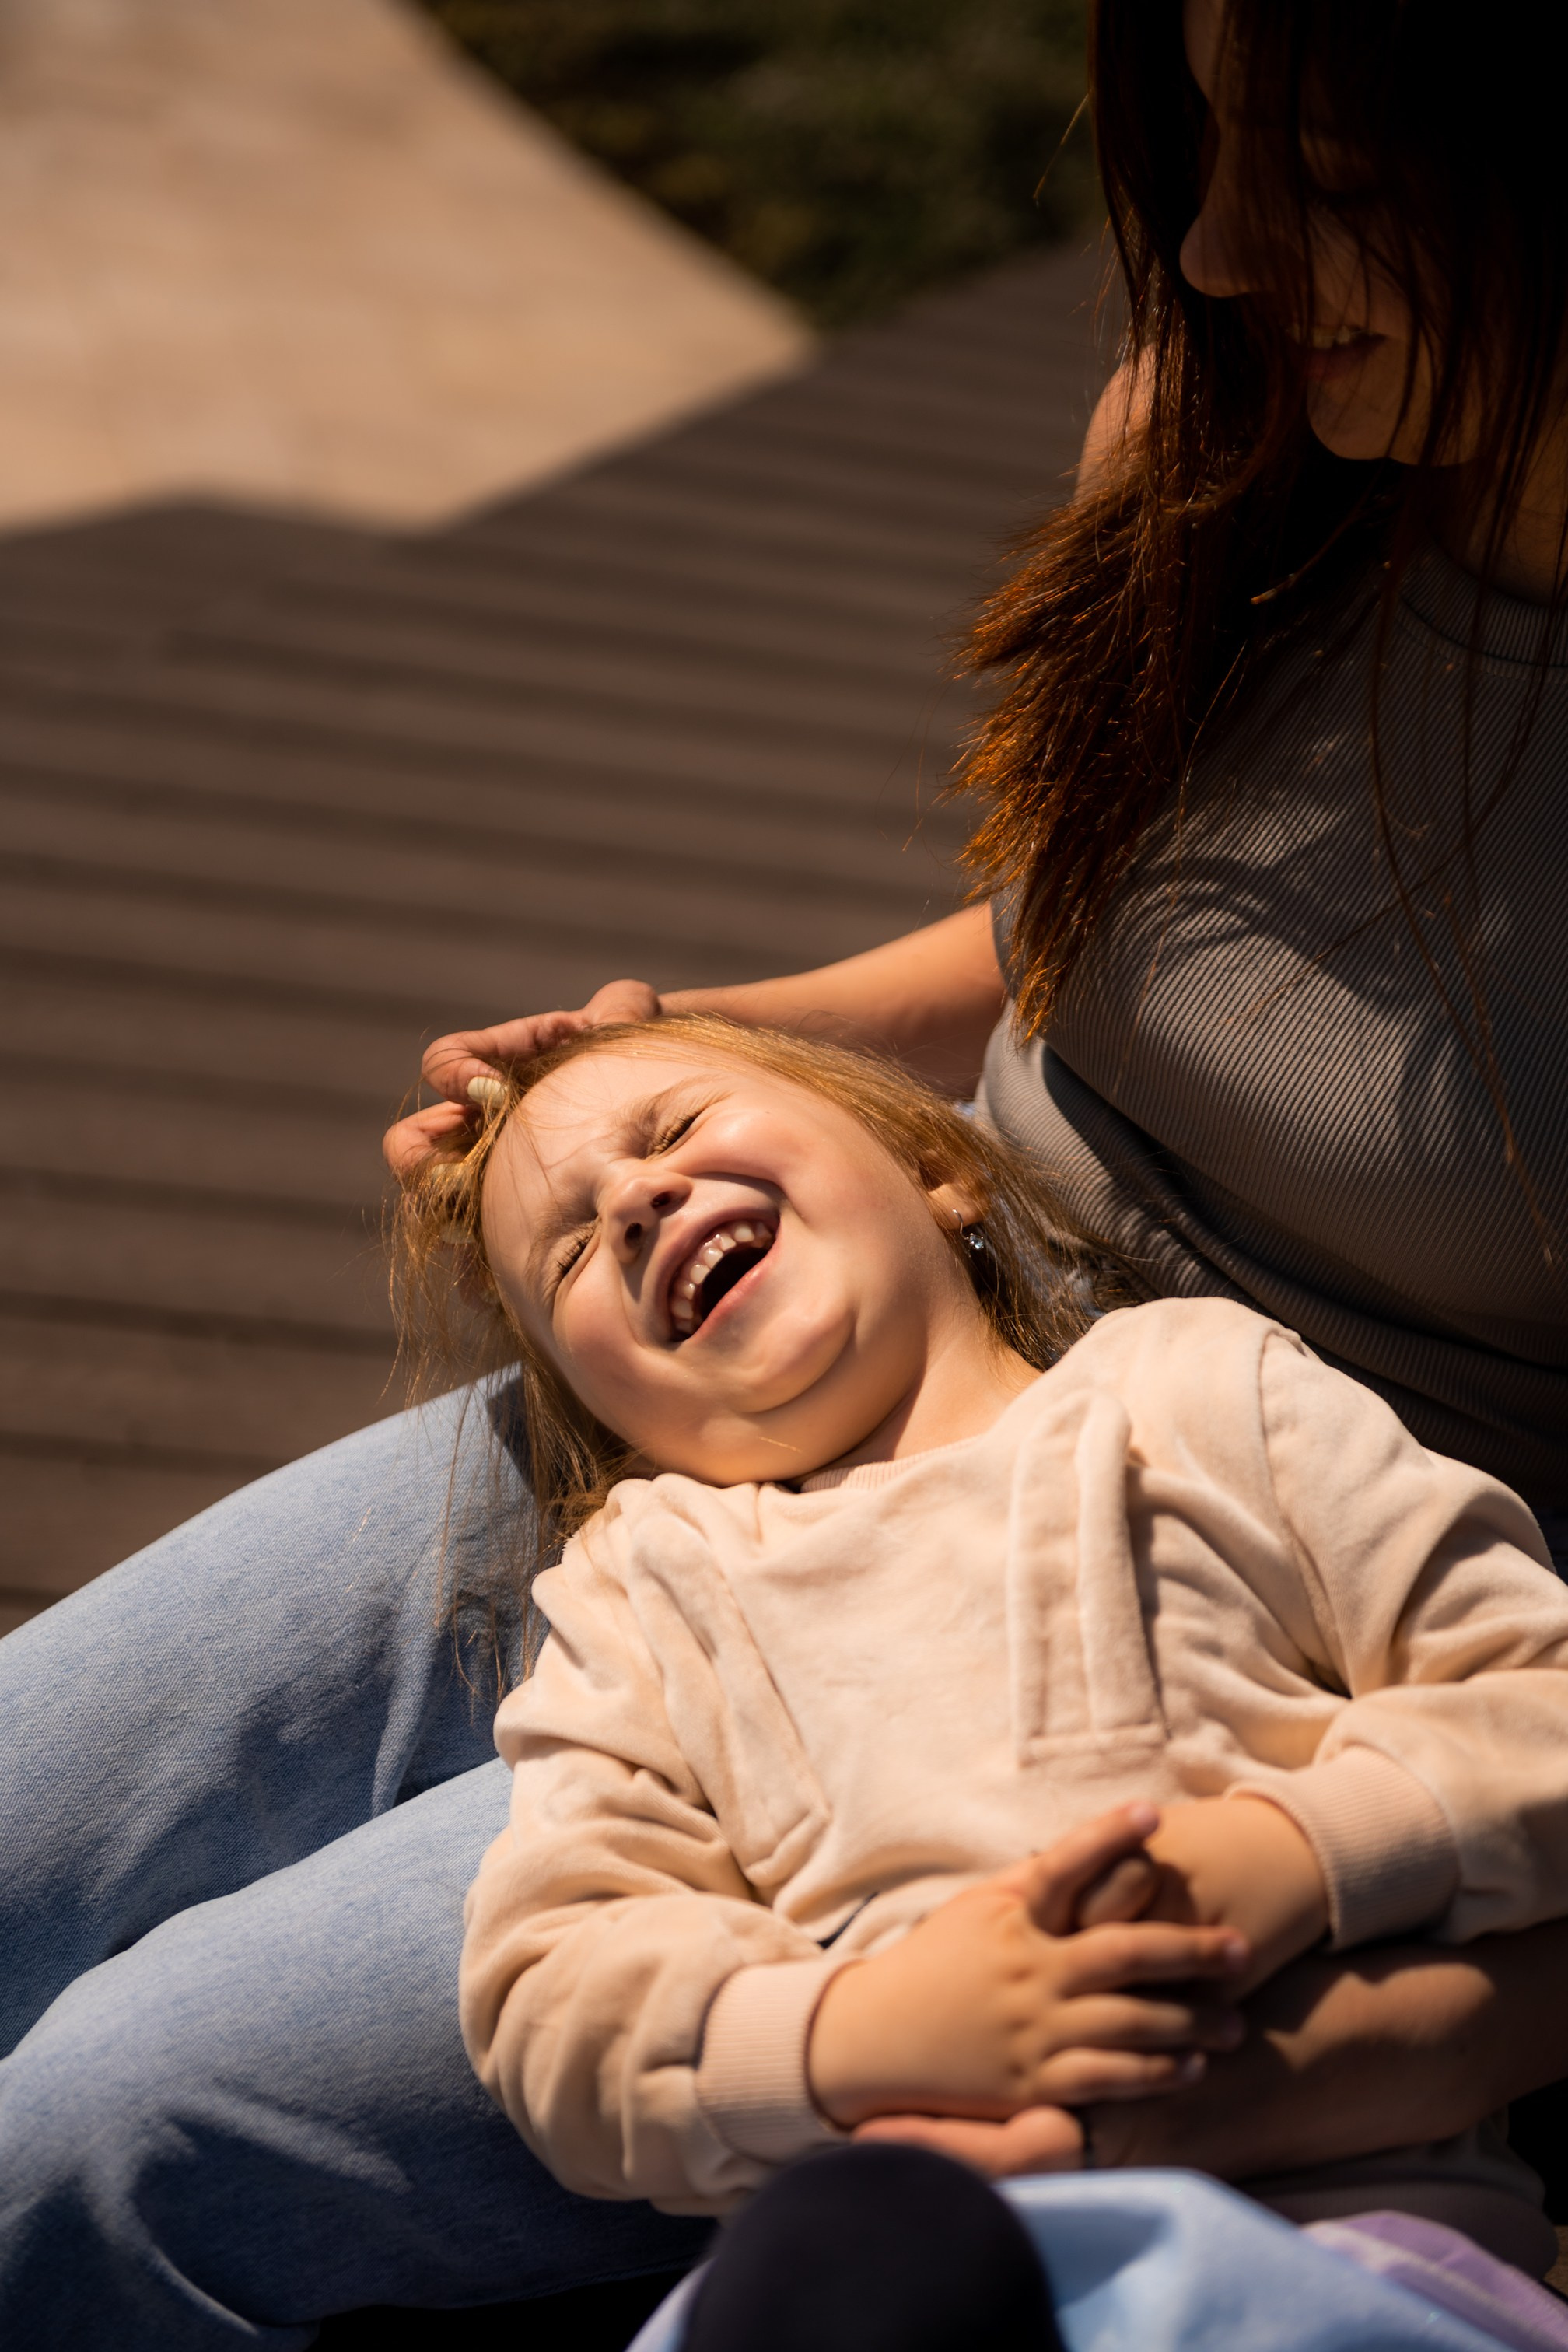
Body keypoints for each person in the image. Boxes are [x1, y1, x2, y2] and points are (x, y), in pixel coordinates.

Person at [4, 0, 1568, 2341]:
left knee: (111, 2141)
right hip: (810, 1352)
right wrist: (708, 1060)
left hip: (1196, 1608)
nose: (1227, 252)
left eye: (1324, 166)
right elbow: (1119, 928)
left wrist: (1336, 2028)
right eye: (1210, 145)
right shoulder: (1244, 431)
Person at [419, 1010, 1568, 2331]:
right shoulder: (645, 1591)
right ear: (608, 1416)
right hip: (882, 2262)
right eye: (569, 1252)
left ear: (935, 1166)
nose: (634, 1199)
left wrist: (1293, 1857)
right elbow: (551, 1995)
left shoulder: (1200, 1390)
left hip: (1336, 2265)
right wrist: (866, 2026)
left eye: (673, 1129)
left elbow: (1534, 1700)